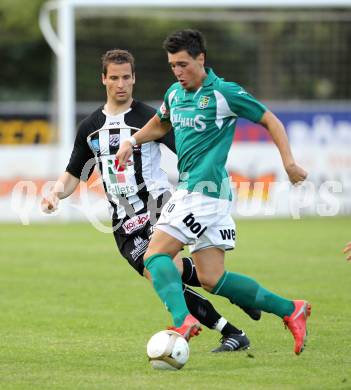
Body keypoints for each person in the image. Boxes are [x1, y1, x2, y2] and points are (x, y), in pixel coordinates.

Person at [41, 49, 259, 353]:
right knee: (174, 275)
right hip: (122, 221)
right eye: (114, 78)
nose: (121, 84)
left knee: (160, 271)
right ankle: (235, 309)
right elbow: (72, 174)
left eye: (126, 77)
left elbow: (188, 151)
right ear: (103, 79)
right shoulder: (90, 127)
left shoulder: (150, 118)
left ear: (134, 78)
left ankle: (226, 328)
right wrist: (55, 194)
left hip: (158, 208)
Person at [116, 30, 312, 355]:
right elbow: (161, 123)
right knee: (212, 278)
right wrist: (132, 140)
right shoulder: (175, 94)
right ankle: (291, 309)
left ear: (201, 59)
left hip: (202, 193)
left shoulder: (224, 93)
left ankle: (182, 321)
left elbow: (270, 120)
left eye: (183, 64)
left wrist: (289, 163)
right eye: (172, 66)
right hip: (206, 194)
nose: (178, 72)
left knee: (154, 256)